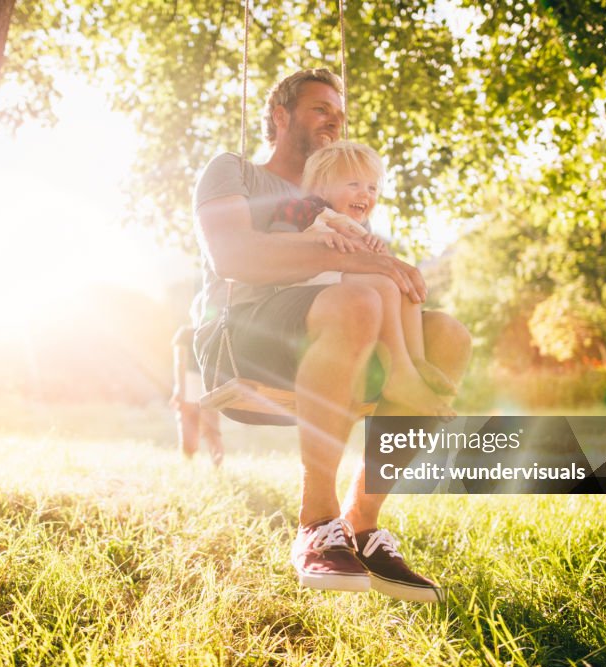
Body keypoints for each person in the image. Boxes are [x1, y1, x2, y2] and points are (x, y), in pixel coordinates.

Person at [192, 68, 471, 602]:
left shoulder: (338, 194)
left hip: (338, 324)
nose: (334, 120)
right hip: (247, 334)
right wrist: (363, 264)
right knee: (358, 300)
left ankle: (361, 524)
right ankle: (316, 522)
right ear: (281, 116)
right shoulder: (236, 171)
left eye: (338, 113)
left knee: (450, 336)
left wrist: (390, 268)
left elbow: (367, 265)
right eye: (321, 109)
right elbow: (233, 255)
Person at [266, 140, 458, 415]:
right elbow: (277, 241)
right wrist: (319, 237)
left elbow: (369, 263)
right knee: (384, 285)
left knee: (401, 282)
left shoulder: (357, 227)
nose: (365, 194)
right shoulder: (301, 209)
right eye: (353, 184)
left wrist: (378, 251)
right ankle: (399, 375)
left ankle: (416, 362)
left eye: (372, 187)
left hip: (346, 283)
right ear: (321, 186)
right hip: (311, 286)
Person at [170, 325, 224, 466]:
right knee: (212, 432)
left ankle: (189, 466)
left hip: (191, 382)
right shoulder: (217, 330)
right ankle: (218, 469)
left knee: (188, 429)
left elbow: (179, 362)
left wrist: (179, 390)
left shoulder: (185, 333)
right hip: (209, 382)